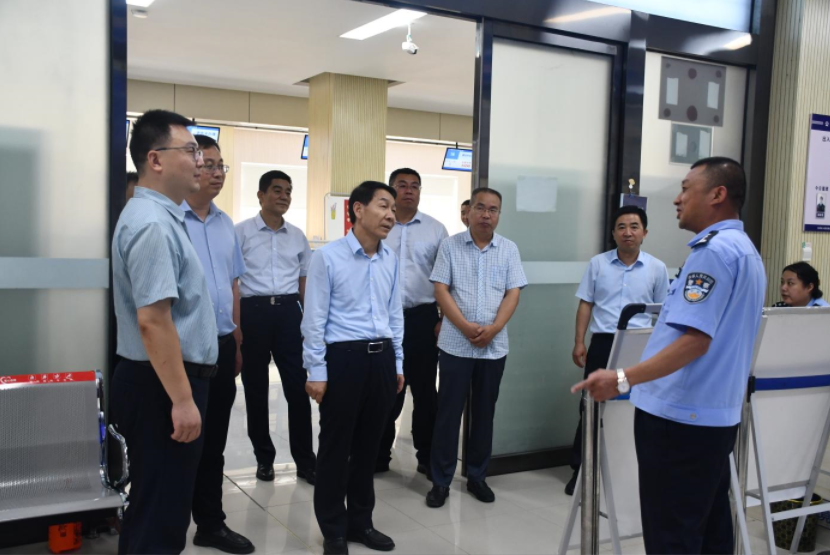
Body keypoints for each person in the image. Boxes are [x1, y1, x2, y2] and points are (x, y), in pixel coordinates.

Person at [573, 157, 766, 554]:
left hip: (680, 422)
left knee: (672, 537)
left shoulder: (713, 253)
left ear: (717, 194)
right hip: (712, 419)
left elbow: (694, 341)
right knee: (709, 531)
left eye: (685, 189)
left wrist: (622, 378)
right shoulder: (744, 250)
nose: (677, 199)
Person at [111, 109, 217, 554]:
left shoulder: (160, 216)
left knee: (157, 508)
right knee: (160, 516)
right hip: (162, 387)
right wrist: (183, 400)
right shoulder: (152, 224)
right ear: (155, 160)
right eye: (190, 150)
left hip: (162, 381)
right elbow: (153, 320)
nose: (201, 161)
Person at [302, 181, 406, 555]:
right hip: (343, 359)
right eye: (383, 206)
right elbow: (314, 318)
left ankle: (361, 523)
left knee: (369, 447)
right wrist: (316, 370)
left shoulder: (391, 259)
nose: (391, 215)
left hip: (382, 359)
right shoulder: (328, 257)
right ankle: (333, 528)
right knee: (335, 446)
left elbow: (395, 314)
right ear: (358, 209)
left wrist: (397, 362)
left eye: (393, 208)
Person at [425, 187, 528, 508]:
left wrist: (494, 328)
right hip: (455, 344)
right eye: (480, 208)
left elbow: (513, 293)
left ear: (499, 215)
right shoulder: (450, 246)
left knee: (484, 414)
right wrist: (464, 326)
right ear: (468, 211)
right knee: (448, 414)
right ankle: (440, 480)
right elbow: (441, 290)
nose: (486, 215)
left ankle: (477, 476)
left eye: (493, 210)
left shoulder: (509, 249)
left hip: (493, 348)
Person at [565, 205, 669, 495]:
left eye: (634, 227)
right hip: (603, 343)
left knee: (636, 405)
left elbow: (662, 313)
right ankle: (580, 471)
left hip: (640, 345)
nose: (628, 232)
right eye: (621, 227)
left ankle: (628, 469)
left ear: (645, 233)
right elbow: (586, 303)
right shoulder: (598, 264)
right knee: (590, 405)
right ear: (613, 233)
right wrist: (579, 341)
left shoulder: (657, 268)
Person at [182, 134, 253, 554]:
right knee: (180, 443)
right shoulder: (169, 221)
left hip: (223, 345)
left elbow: (233, 285)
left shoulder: (226, 224)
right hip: (183, 351)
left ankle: (210, 523)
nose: (216, 173)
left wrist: (237, 339)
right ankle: (168, 525)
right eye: (208, 164)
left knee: (214, 443)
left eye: (221, 165)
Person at [234, 170, 316, 484]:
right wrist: (236, 325)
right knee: (255, 389)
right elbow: (233, 282)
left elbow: (304, 281)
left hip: (288, 313)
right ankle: (264, 458)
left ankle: (305, 461)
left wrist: (309, 322)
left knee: (298, 388)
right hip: (252, 312)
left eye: (288, 191)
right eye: (277, 190)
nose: (284, 196)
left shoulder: (297, 236)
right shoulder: (240, 232)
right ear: (261, 195)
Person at [376, 168, 448, 477]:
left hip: (422, 319)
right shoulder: (378, 225)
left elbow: (447, 279)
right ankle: (378, 454)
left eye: (415, 186)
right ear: (391, 190)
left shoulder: (435, 229)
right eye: (402, 185)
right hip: (382, 320)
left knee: (425, 391)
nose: (409, 191)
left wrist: (443, 318)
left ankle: (426, 455)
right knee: (385, 389)